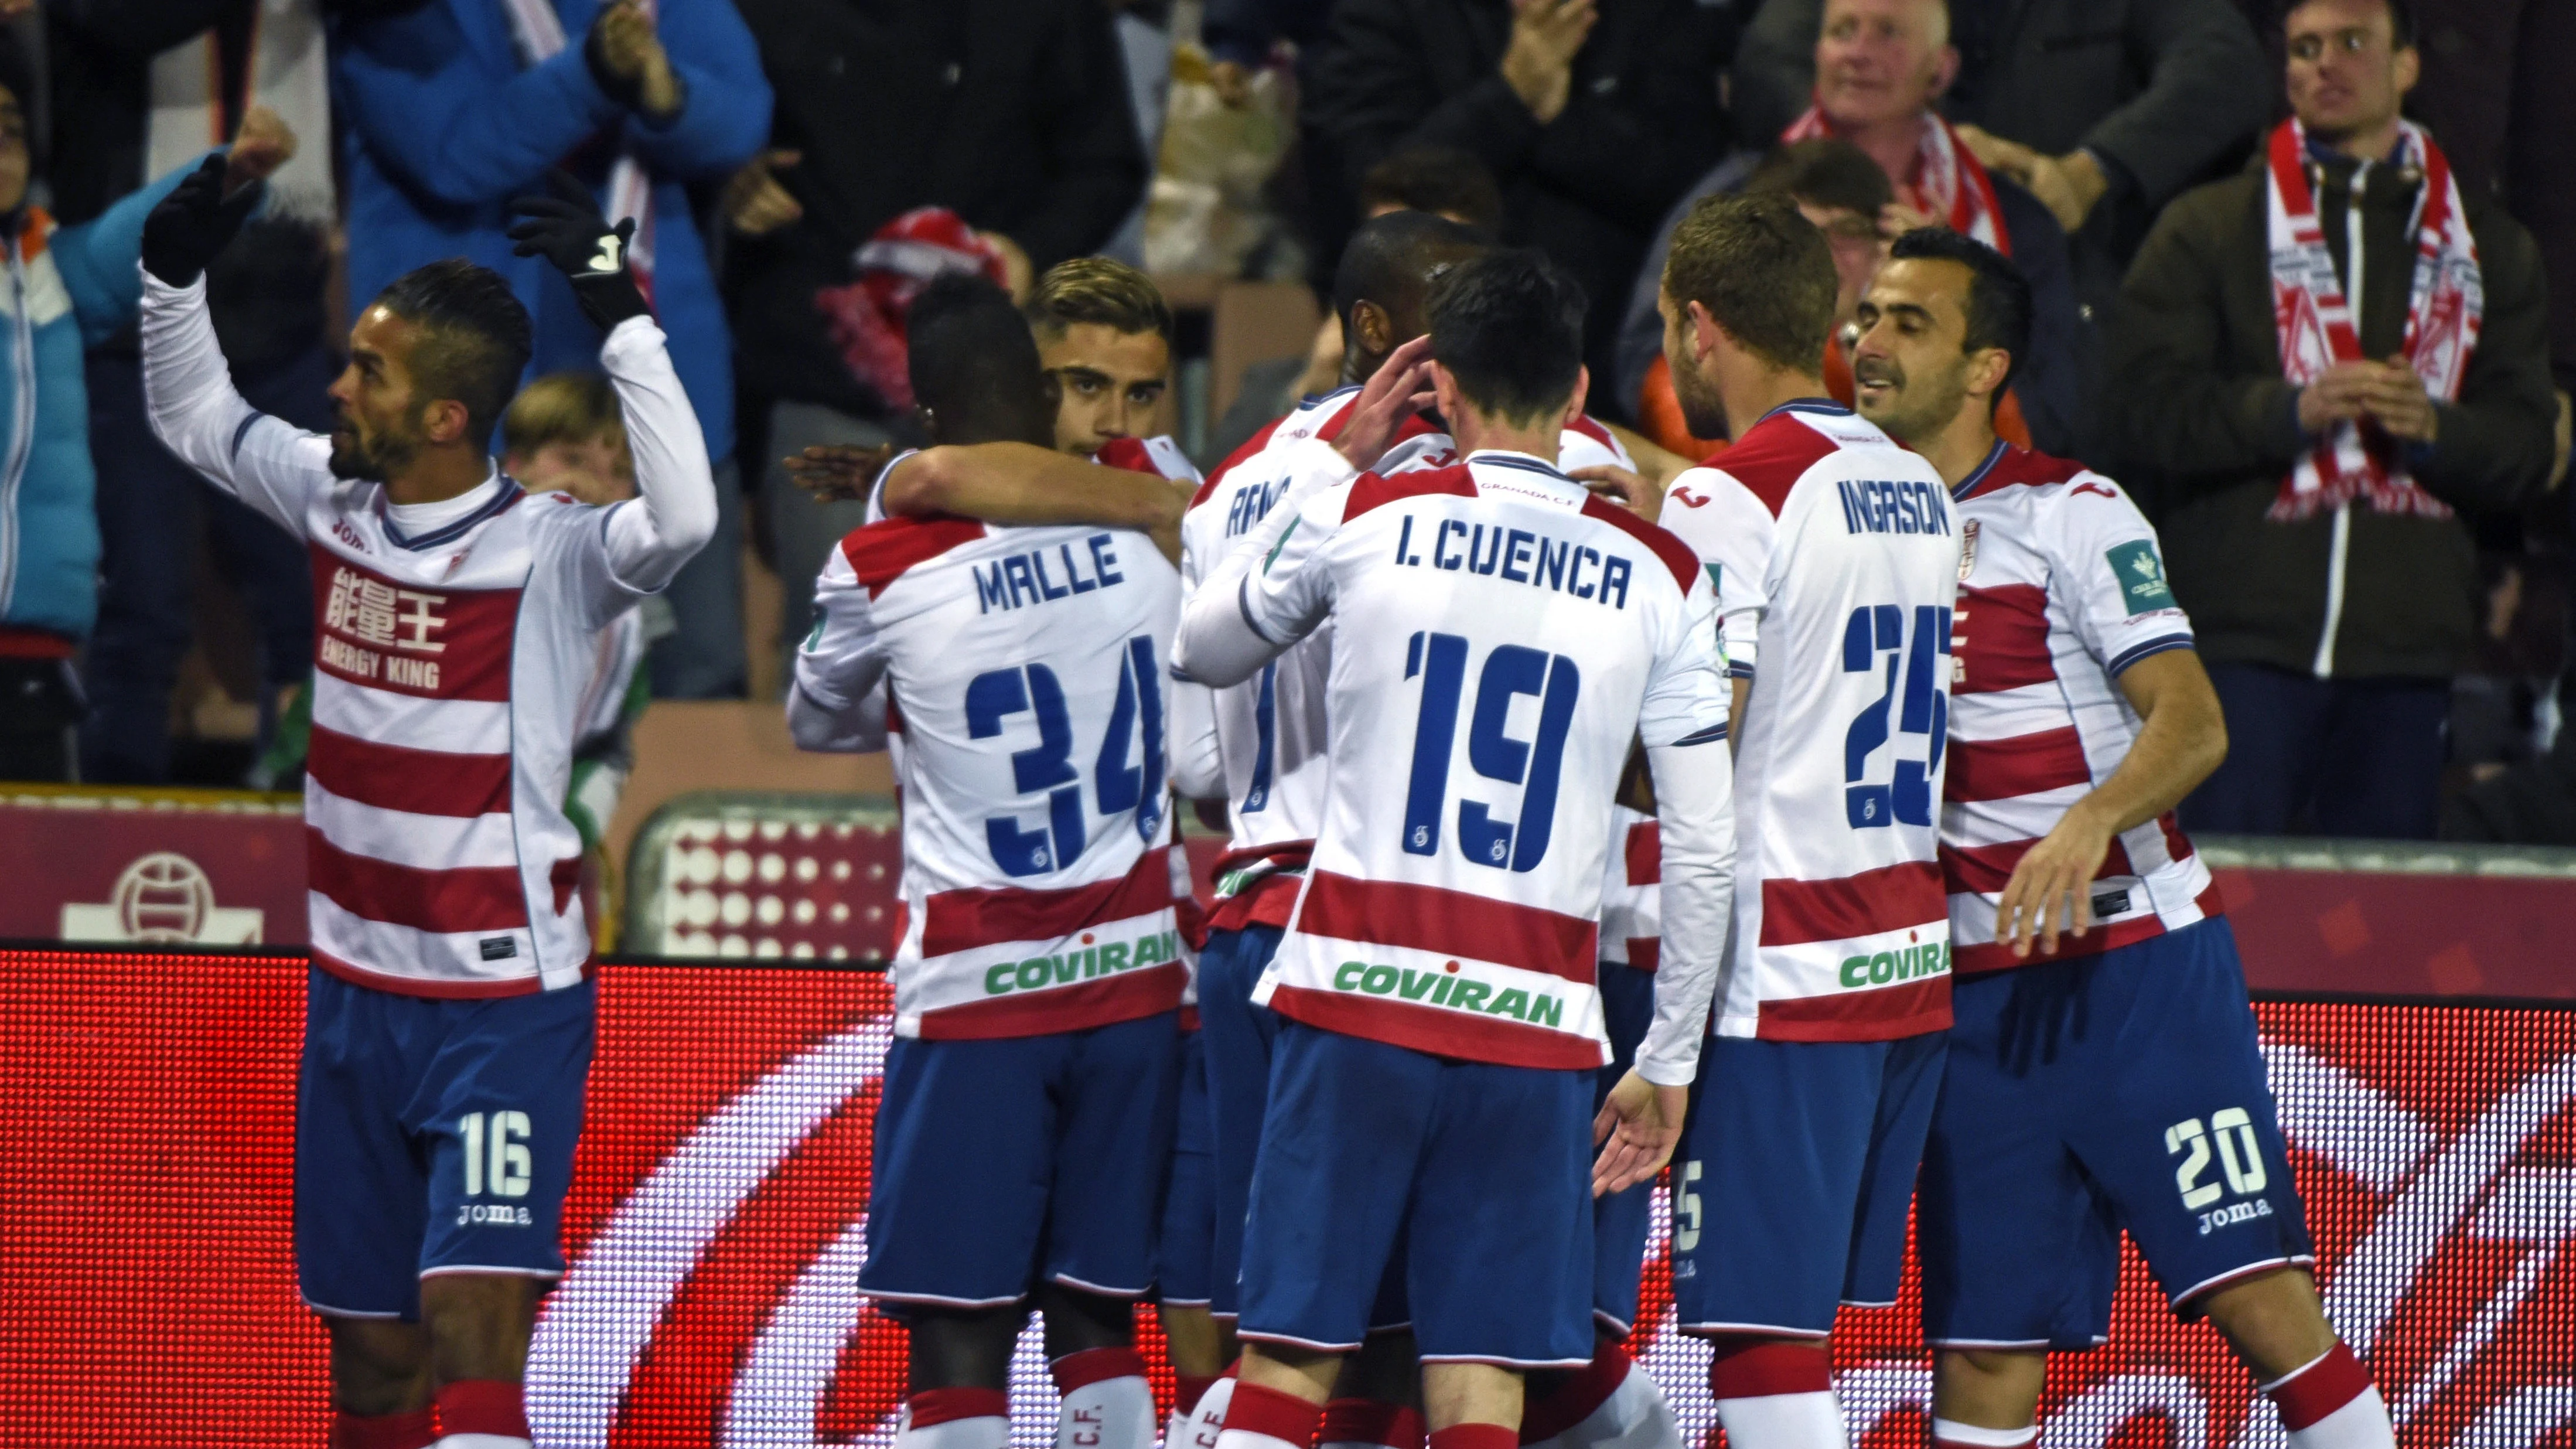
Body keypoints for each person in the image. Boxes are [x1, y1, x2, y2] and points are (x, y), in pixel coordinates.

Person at [139, 160, 713, 1448]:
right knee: (374, 1367)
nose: (339, 388)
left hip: (499, 1004)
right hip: (351, 994)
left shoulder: (551, 552)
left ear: (447, 416)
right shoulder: (329, 497)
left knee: (471, 1328)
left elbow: (682, 517)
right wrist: (173, 275)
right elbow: (192, 418)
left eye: (370, 374)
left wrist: (619, 311)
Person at [1847, 226, 2400, 1449]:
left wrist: (2087, 822)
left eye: (1904, 321)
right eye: (1863, 316)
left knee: (2264, 1310)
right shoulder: (1839, 523)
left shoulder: (2070, 511)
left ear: (1984, 363)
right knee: (1983, 1354)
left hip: (2129, 975)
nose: (1864, 341)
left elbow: (2191, 722)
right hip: (1967, 996)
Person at [1172, 246, 1735, 1449]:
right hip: (1534, 1022)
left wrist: (1332, 456)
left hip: (1354, 994)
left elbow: (1202, 646)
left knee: (1286, 1364)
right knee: (1479, 1382)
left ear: (1445, 388)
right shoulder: (1659, 570)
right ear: (1579, 392)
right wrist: (1670, 1058)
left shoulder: (1369, 512)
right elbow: (1701, 844)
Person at [787, 274, 1183, 1449]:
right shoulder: (1154, 506)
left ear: (923, 418)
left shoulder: (880, 560)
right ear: (1046, 397)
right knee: (1098, 1320)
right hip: (1134, 982)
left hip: (977, 997)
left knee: (958, 1338)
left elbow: (820, 720)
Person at [1638, 192, 1959, 1449]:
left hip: (1783, 973)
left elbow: (1695, 740)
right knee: (1792, 1331)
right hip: (1898, 958)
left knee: (1758, 1342)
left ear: (1695, 326)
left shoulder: (1724, 499)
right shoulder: (1917, 487)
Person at [2103, 0, 2558, 840]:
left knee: (2373, 943)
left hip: (2405, 658)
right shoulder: (2206, 227)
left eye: (2353, 42)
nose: (2324, 65)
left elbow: (2529, 443)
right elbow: (2138, 406)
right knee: (2227, 912)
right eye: (2305, 48)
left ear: (2407, 66)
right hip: (2240, 648)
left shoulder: (2489, 247)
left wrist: (2434, 427)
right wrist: (2283, 411)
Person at [333, 0, 770, 700]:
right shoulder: (410, 13)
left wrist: (667, 92)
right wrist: (597, 74)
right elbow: (454, 152)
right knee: (469, 680)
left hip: (658, 376)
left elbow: (743, 115)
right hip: (465, 413)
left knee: (696, 671)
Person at [726, 0, 1148, 662]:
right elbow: (703, 126)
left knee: (1017, 640)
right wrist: (730, 182)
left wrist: (1029, 250)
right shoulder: (763, 13)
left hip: (997, 390)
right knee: (837, 645)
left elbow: (1104, 160)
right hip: (824, 376)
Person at [39, 0, 337, 783]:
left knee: (315, 606)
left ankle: (302, 827)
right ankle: (108, 838)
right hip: (129, 330)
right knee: (141, 613)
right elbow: (120, 22)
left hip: (278, 325)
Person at [1616, 0, 2083, 454]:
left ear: (1940, 69)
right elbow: (1648, 368)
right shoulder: (1730, 201)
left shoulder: (2017, 223)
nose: (1857, 52)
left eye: (1888, 32)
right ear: (1817, 52)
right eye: (1842, 31)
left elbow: (2049, 412)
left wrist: (1946, 299)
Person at [0, 47, 285, 781]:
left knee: (37, 880)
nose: (2, 147)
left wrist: (232, 169)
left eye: (11, 129)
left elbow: (140, 233)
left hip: (39, 649)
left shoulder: (46, 268)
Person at [1302, 0, 1735, 380]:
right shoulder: (1385, 13)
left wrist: (1548, 121)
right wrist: (1511, 96)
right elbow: (1367, 181)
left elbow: (1690, 180)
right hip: (1425, 359)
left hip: (1611, 355)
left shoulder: (1651, 13)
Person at [1732, 0, 2269, 275]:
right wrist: (1896, 136)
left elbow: (2223, 63)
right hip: (1864, 239)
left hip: (2079, 256)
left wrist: (2092, 170)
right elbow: (1768, 60)